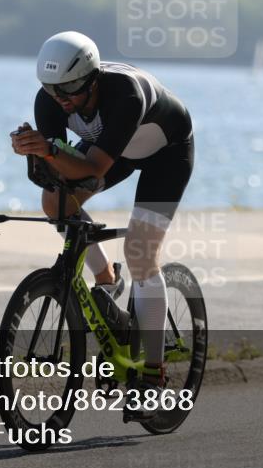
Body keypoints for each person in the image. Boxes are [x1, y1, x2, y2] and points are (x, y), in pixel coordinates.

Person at [10, 31, 193, 419]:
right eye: (53, 89)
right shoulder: (50, 99)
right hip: (115, 150)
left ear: (92, 78)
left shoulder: (124, 94)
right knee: (55, 202)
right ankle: (107, 279)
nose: (62, 99)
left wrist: (49, 150)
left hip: (167, 153)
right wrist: (36, 154)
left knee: (140, 252)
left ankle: (153, 374)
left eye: (71, 89)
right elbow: (60, 167)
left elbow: (93, 167)